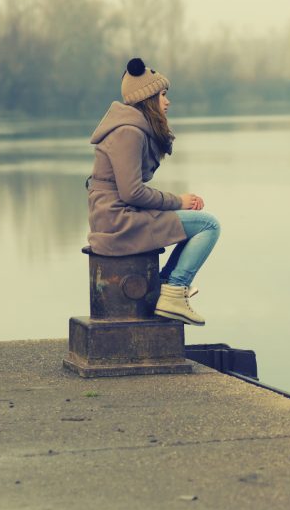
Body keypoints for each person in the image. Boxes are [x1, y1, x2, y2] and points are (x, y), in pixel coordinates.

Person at [86, 58, 220, 326]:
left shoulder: (132, 128)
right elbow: (132, 192)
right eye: (162, 95)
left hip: (119, 216)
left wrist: (174, 204)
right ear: (148, 98)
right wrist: (177, 201)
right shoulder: (128, 132)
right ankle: (174, 290)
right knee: (208, 225)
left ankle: (166, 289)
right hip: (118, 220)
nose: (167, 102)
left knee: (195, 226)